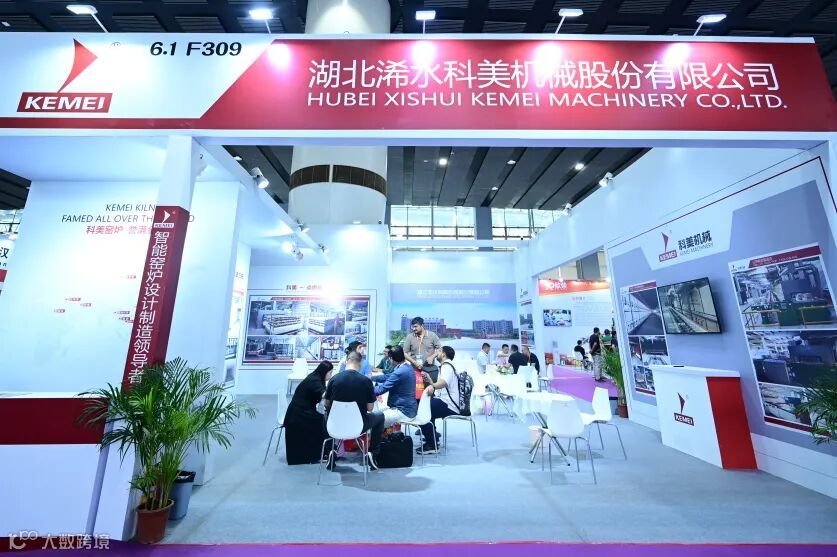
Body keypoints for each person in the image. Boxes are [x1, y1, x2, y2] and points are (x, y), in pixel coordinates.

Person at [323, 351, 384, 470]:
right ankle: (373, 454)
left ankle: (331, 451)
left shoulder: (334, 379)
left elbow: (326, 404)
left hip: (336, 425)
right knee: (380, 416)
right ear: (360, 363)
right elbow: (370, 408)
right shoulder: (366, 381)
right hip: (359, 425)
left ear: (346, 361)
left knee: (325, 415)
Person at [284, 361, 334, 465]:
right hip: (298, 414)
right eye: (330, 373)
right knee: (321, 422)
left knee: (321, 420)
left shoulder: (317, 377)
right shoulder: (314, 380)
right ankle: (319, 453)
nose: (330, 376)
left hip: (303, 410)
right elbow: (324, 395)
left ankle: (321, 452)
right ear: (324, 372)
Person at [419, 346, 462, 454]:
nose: (436, 353)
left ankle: (431, 444)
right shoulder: (447, 366)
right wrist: (431, 382)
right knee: (428, 407)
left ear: (443, 354)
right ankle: (433, 438)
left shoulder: (446, 366)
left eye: (438, 351)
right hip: (448, 402)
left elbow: (443, 383)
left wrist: (432, 386)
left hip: (449, 404)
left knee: (422, 409)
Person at [370, 346, 417, 427]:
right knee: (376, 415)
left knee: (373, 421)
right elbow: (388, 376)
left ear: (391, 358)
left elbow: (381, 389)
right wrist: (371, 378)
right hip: (409, 409)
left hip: (403, 411)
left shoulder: (400, 371)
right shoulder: (407, 367)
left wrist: (364, 389)